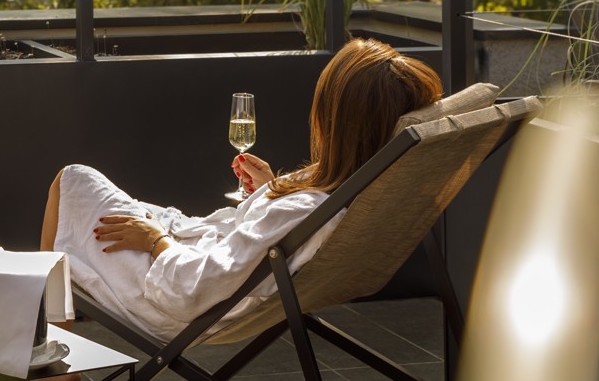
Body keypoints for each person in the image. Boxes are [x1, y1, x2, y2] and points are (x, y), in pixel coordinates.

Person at [42, 38, 442, 341]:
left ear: (337, 120)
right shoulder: (344, 197)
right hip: (200, 274)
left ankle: (54, 356)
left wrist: (156, 241)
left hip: (171, 295)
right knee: (81, 201)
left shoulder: (302, 209)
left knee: (72, 180)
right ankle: (54, 349)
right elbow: (266, 247)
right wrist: (270, 191)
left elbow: (192, 291)